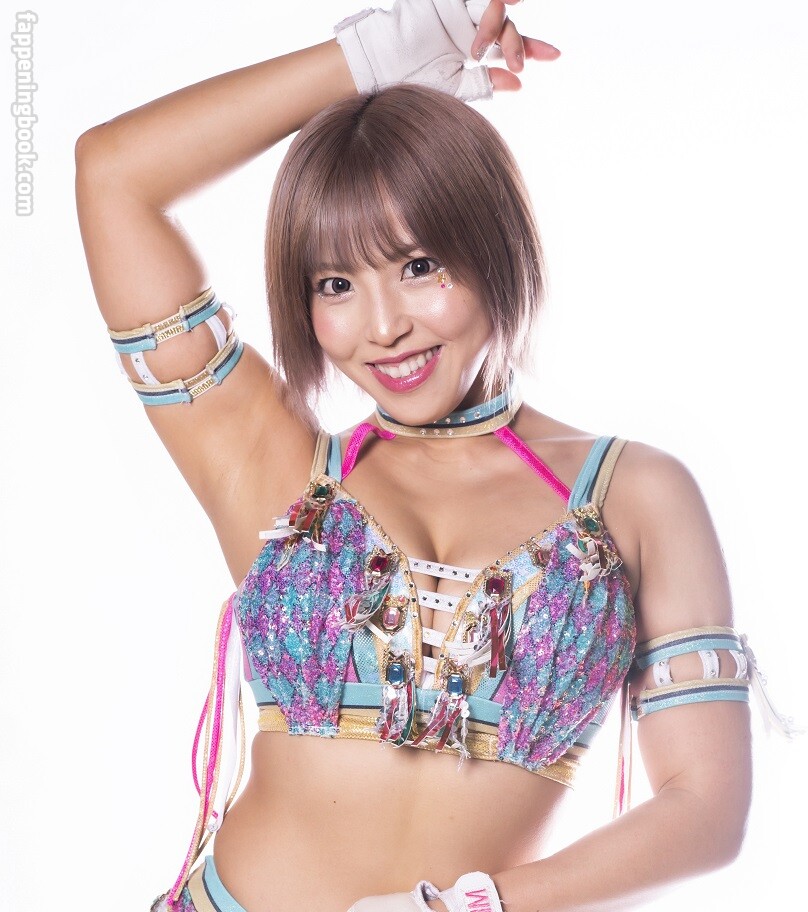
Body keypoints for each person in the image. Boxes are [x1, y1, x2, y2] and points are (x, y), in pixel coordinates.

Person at [75, 2, 763, 910]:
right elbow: (112, 174)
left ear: (496, 244)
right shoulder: (277, 470)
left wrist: (470, 905)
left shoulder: (633, 496)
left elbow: (705, 807)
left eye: (418, 266)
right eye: (336, 284)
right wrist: (373, 58)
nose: (384, 325)